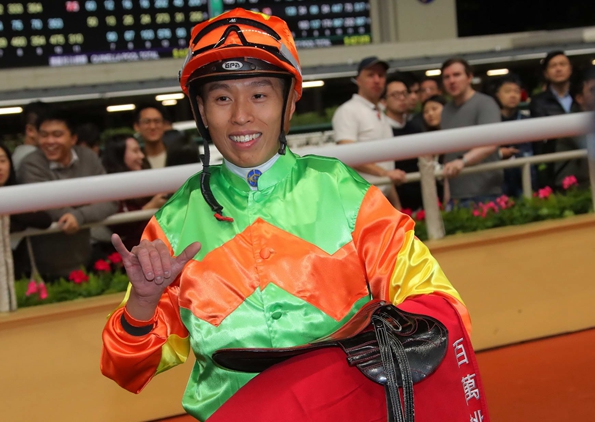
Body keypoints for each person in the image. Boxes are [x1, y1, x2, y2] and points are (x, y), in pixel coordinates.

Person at [101, 9, 486, 422]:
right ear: (201, 111)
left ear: (289, 104)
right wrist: (143, 302)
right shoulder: (173, 222)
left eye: (259, 95)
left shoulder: (342, 191)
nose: (241, 115)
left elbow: (438, 305)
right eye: (222, 98)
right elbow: (125, 367)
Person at [18, 109, 117, 281]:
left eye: (57, 135)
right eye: (44, 135)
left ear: (73, 138)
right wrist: (85, 208)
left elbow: (111, 201)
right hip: (43, 268)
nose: (50, 141)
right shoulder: (30, 164)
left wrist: (79, 216)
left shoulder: (88, 158)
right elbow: (44, 202)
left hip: (86, 258)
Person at [0, 140, 52, 289]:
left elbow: (44, 220)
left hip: (22, 282)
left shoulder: (20, 195)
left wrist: (8, 211)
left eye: (2, 160)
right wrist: (21, 216)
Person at [332, 56, 407, 203]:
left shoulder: (380, 113)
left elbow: (386, 164)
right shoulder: (347, 111)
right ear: (358, 80)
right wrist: (385, 174)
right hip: (358, 201)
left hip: (378, 200)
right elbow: (347, 154)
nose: (377, 80)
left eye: (381, 75)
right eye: (370, 75)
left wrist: (397, 206)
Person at [440, 57, 503, 207]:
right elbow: (448, 153)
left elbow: (491, 143)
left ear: (469, 77)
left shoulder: (485, 104)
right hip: (455, 194)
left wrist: (462, 161)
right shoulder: (446, 111)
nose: (451, 81)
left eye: (456, 75)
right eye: (447, 77)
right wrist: (447, 193)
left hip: (486, 191)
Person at [97, 134, 168, 252]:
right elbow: (122, 229)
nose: (141, 156)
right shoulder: (108, 188)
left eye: (140, 150)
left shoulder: (146, 178)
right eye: (135, 151)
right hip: (129, 252)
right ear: (119, 155)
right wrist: (151, 206)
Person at [529, 51, 580, 188]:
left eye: (562, 64)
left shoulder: (581, 95)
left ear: (570, 69)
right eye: (553, 66)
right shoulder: (538, 101)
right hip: (555, 163)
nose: (558, 69)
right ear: (546, 73)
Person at [382, 75, 425, 211]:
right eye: (395, 95)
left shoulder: (416, 127)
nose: (401, 98)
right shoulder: (381, 130)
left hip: (419, 197)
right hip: (392, 201)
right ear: (384, 101)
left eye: (404, 94)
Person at [494, 75, 533, 197]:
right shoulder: (491, 121)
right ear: (498, 95)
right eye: (507, 91)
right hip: (499, 180)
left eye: (516, 91)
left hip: (525, 177)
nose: (513, 95)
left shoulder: (528, 120)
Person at [12, 101, 49, 170]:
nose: (52, 139)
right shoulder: (32, 158)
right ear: (30, 130)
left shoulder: (20, 154)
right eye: (45, 131)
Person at [133, 103, 171, 169]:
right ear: (137, 126)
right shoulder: (135, 161)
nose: (152, 127)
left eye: (157, 121)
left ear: (165, 125)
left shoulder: (180, 156)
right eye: (146, 122)